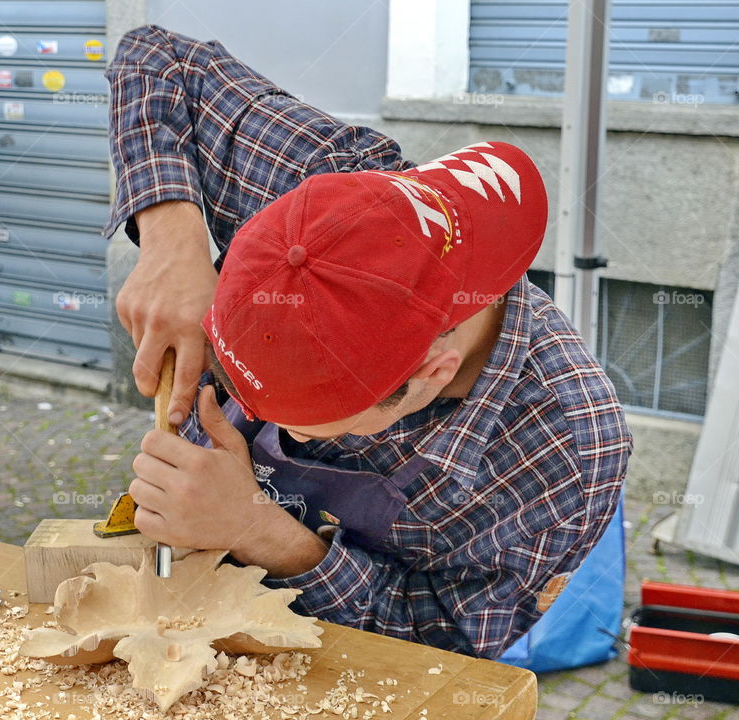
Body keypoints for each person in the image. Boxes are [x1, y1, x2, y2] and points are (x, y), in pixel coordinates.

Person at [108, 25, 632, 659]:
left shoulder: (565, 448)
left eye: (307, 426)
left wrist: (255, 526)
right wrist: (172, 239)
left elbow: (446, 645)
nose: (261, 430)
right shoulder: (322, 190)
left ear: (434, 372)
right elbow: (153, 56)